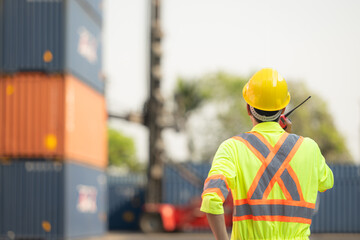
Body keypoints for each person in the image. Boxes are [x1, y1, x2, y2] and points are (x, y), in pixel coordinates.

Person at [200, 68, 334, 240]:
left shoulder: (232, 148)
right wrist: (290, 139)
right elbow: (326, 182)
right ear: (283, 109)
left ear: (249, 108)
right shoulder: (309, 148)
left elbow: (211, 200)